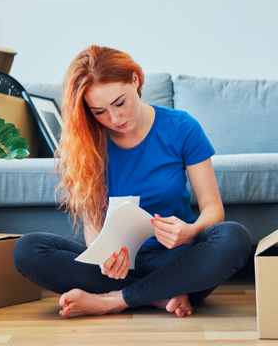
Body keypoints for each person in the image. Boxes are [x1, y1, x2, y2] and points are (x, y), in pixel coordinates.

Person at [13, 45, 251, 318]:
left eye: (120, 103)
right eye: (99, 111)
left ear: (135, 80)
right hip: (120, 269)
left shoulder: (182, 127)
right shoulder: (87, 143)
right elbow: (93, 228)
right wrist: (105, 258)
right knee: (27, 249)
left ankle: (113, 301)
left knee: (234, 237)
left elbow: (213, 209)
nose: (114, 119)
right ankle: (158, 297)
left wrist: (191, 230)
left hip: (177, 260)